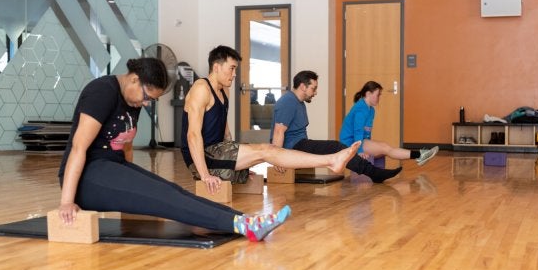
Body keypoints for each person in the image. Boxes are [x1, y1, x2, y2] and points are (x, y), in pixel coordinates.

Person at [57, 57, 292, 242]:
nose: (147, 103)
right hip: (87, 178)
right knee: (163, 197)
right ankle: (244, 226)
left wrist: (131, 173)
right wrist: (67, 200)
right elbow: (78, 148)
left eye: (152, 99)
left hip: (110, 168)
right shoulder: (101, 92)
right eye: (147, 96)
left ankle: (245, 220)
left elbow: (125, 146)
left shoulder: (132, 98)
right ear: (134, 80)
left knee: (172, 189)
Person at [181, 45, 360, 194]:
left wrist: (239, 163)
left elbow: (225, 132)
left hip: (217, 151)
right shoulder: (201, 89)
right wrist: (205, 175)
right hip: (201, 157)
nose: (235, 74)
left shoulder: (222, 90)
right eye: (232, 68)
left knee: (263, 151)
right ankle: (330, 161)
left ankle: (331, 160)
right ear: (217, 67)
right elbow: (193, 136)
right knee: (266, 150)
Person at [270, 71, 402, 183]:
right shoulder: (288, 101)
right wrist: (277, 159)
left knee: (337, 147)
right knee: (336, 147)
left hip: (299, 144)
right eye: (313, 88)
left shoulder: (299, 103)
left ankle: (374, 173)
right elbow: (278, 132)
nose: (315, 92)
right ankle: (374, 173)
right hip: (292, 147)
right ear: (303, 86)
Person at [340, 81, 438, 165]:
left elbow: (367, 131)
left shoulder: (371, 110)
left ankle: (420, 155)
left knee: (385, 148)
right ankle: (420, 155)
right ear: (368, 94)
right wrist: (360, 151)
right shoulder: (360, 108)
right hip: (350, 143)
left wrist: (370, 144)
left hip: (359, 141)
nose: (379, 98)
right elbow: (358, 131)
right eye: (377, 95)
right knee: (385, 148)